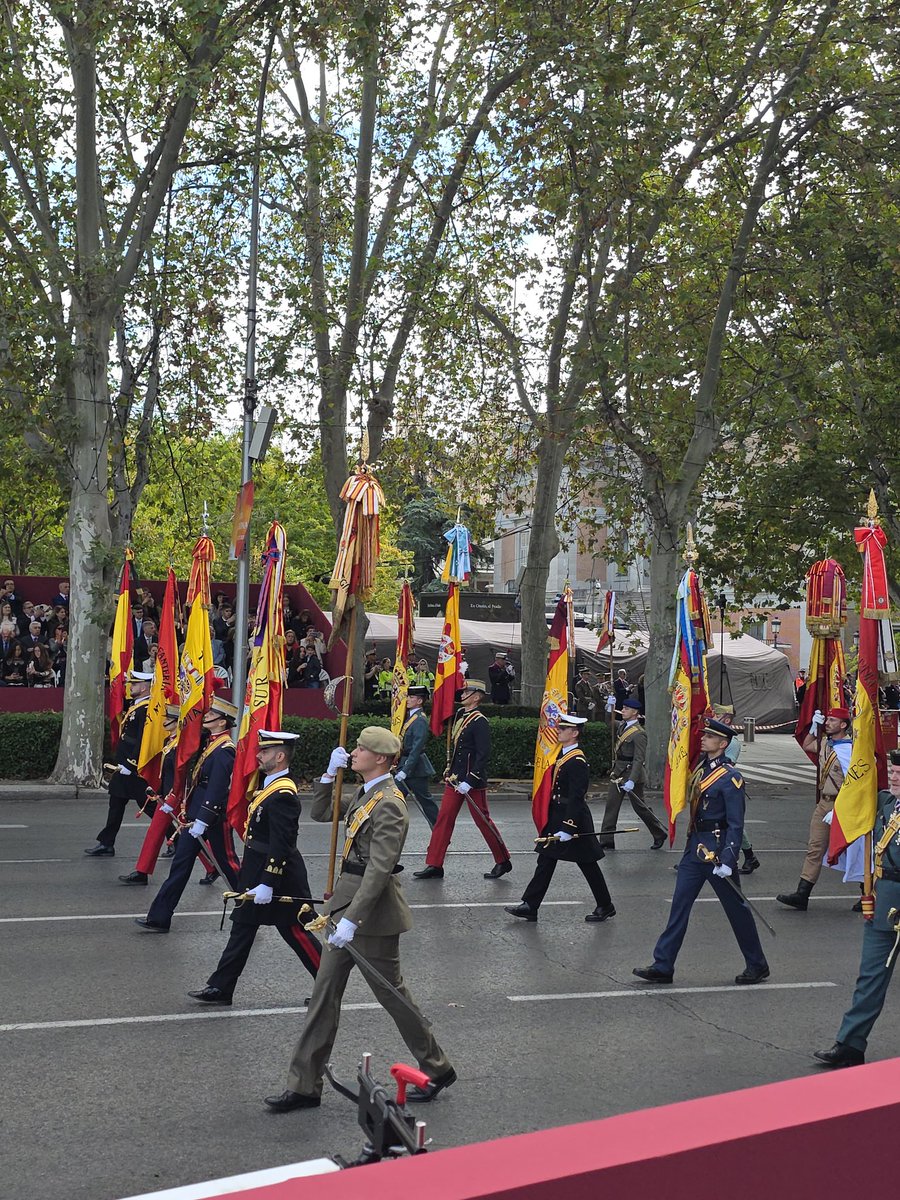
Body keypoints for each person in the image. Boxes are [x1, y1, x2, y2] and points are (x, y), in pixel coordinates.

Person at [263, 727, 455, 1112]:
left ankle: (437, 1066)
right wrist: (327, 777)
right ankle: (304, 1085)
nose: (353, 752)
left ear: (380, 758)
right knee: (324, 995)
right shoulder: (367, 793)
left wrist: (353, 919)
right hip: (346, 903)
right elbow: (320, 814)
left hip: (371, 915)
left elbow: (380, 869)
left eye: (361, 749)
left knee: (392, 994)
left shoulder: (390, 803)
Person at [633, 716, 770, 986]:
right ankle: (663, 964)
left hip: (717, 851)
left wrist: (729, 859)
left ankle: (757, 964)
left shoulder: (731, 778)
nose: (703, 738)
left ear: (722, 743)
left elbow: (735, 823)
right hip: (695, 847)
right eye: (704, 735)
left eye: (709, 736)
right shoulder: (703, 769)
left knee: (737, 910)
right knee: (679, 905)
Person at [189, 731, 321, 1005]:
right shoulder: (269, 788)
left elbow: (282, 842)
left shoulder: (283, 794)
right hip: (256, 872)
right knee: (243, 927)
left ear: (280, 756)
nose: (259, 756)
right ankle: (221, 988)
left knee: (297, 931)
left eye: (265, 752)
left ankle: (328, 986)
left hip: (281, 875)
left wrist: (269, 882)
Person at [814, 748, 900, 1069]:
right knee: (870, 977)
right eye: (892, 769)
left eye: (899, 771)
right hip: (883, 900)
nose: (893, 775)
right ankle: (851, 1043)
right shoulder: (885, 804)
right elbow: (855, 794)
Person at [134, 696, 241, 931]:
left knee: (229, 865)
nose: (207, 717)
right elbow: (189, 734)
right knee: (180, 866)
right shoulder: (209, 742)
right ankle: (159, 917)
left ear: (223, 722)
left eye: (212, 715)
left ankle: (251, 910)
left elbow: (217, 786)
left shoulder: (225, 750)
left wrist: (203, 818)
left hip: (212, 817)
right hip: (194, 815)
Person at [505, 714, 615, 923]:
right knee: (545, 859)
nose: (558, 731)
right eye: (559, 728)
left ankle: (605, 905)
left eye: (563, 729)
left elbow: (576, 797)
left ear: (574, 734)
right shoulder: (563, 756)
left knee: (587, 863)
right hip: (558, 816)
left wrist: (568, 827)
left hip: (573, 819)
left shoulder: (577, 761)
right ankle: (530, 905)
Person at [413, 679, 512, 880]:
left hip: (471, 781)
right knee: (444, 819)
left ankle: (503, 860)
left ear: (476, 697)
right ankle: (435, 864)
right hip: (455, 778)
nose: (463, 694)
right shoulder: (460, 715)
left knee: (483, 821)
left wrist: (471, 779)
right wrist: (449, 768)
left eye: (467, 691)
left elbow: (483, 754)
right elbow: (458, 749)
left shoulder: (480, 721)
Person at [776, 706, 853, 911]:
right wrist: (813, 728)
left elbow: (856, 784)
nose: (828, 723)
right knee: (815, 848)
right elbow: (807, 745)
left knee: (856, 848)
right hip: (824, 804)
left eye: (832, 720)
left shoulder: (851, 750)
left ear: (843, 725)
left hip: (843, 804)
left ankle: (868, 893)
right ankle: (802, 894)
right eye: (827, 719)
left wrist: (842, 808)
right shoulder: (827, 743)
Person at [84, 671, 154, 856]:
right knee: (116, 803)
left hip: (134, 769)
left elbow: (143, 740)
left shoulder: (146, 709)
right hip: (123, 766)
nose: (131, 686)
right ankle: (106, 842)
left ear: (145, 687)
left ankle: (176, 838)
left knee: (149, 806)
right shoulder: (136, 706)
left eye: (135, 684)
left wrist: (131, 765)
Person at [119, 704, 181, 885]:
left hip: (176, 797)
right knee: (157, 833)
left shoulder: (181, 746)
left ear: (178, 723)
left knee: (189, 835)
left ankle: (213, 866)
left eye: (169, 719)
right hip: (166, 796)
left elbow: (181, 774)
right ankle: (142, 872)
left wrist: (173, 795)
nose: (164, 722)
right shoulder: (168, 742)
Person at [599, 696, 667, 850]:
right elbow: (609, 723)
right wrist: (609, 708)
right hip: (618, 773)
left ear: (635, 712)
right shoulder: (622, 726)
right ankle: (606, 840)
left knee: (640, 807)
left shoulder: (639, 733)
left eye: (626, 709)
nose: (622, 710)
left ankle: (659, 833)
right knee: (611, 805)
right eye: (622, 708)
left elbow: (638, 759)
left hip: (632, 774)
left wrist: (632, 780)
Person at [713, 705, 759, 874]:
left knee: (732, 823)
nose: (714, 717)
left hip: (724, 787)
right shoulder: (717, 737)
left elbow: (727, 765)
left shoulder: (731, 742)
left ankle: (749, 856)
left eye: (717, 715)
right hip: (712, 786)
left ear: (726, 720)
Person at [395, 686, 439, 827]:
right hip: (405, 764)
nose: (407, 700)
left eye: (411, 698)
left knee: (426, 801)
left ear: (419, 701)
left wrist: (405, 770)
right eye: (408, 697)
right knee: (395, 799)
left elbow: (416, 748)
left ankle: (439, 831)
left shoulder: (419, 720)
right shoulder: (411, 717)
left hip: (416, 768)